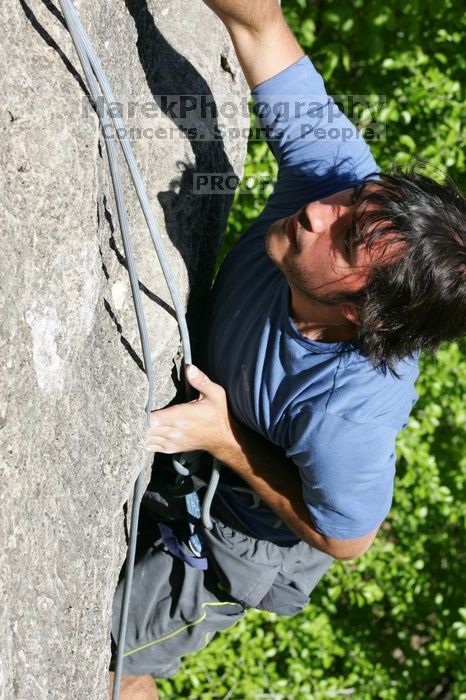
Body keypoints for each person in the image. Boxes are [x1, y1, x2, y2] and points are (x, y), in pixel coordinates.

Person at [109, 1, 466, 697]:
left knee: (117, 660)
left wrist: (228, 442)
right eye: (350, 200)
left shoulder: (348, 413)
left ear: (360, 311)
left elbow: (346, 540)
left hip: (242, 530)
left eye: (345, 239)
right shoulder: (338, 183)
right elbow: (259, 27)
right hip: (205, 439)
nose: (319, 211)